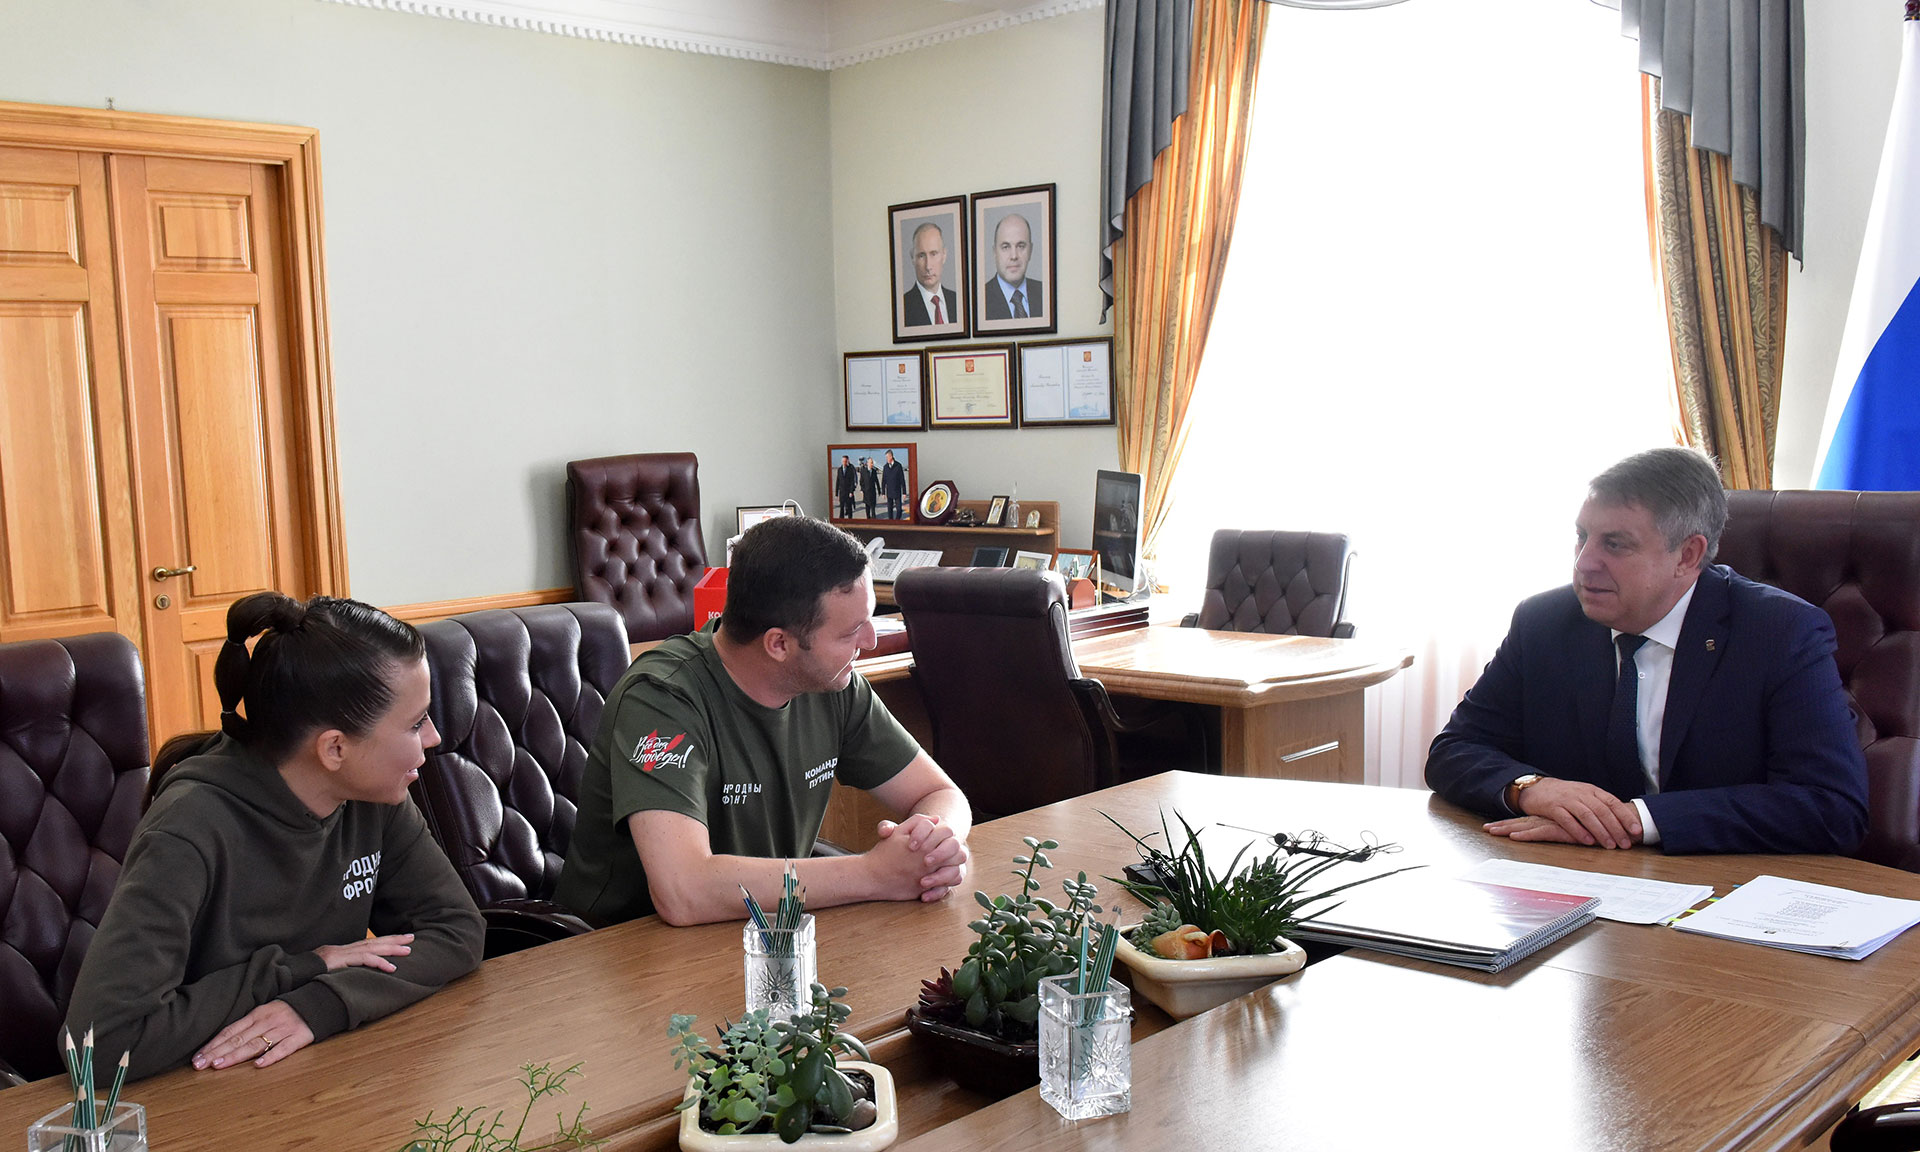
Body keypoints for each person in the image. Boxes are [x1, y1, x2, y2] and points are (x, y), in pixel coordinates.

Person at [65, 593, 484, 1082]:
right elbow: (99, 1045)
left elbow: (458, 931)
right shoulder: (187, 829)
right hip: (198, 1091)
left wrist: (319, 1004)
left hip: (314, 1076)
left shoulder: (372, 797)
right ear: (334, 748)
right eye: (415, 724)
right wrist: (307, 967)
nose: (433, 738)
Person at [1425, 447, 1868, 856]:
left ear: (1687, 555)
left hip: (1724, 883)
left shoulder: (1780, 632)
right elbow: (1455, 749)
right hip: (1575, 877)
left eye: (1615, 544)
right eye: (1582, 536)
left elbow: (1831, 806)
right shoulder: (1545, 622)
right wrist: (1530, 788)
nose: (1584, 563)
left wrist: (1640, 820)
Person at [556, 515, 972, 926]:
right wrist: (874, 874)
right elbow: (684, 892)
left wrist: (935, 843)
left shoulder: (834, 682)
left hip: (765, 930)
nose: (871, 640)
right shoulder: (661, 698)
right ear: (778, 644)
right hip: (621, 946)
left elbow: (940, 793)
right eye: (851, 632)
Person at [981, 212, 1045, 322]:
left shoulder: (1045, 293)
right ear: (995, 252)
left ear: (1030, 251)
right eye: (1006, 247)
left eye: (1021, 246)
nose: (1014, 256)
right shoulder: (980, 300)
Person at [901, 221, 959, 328]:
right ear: (912, 258)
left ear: (944, 255)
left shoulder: (958, 301)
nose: (928, 266)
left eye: (933, 254)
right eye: (921, 256)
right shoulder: (902, 307)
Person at [881, 450, 907, 521]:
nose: (886, 459)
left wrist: (904, 492)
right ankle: (891, 522)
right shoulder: (885, 467)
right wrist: (883, 492)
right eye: (886, 457)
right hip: (889, 492)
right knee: (890, 510)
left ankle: (897, 521)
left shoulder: (898, 466)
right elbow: (883, 481)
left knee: (899, 509)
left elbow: (902, 480)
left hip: (897, 492)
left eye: (887, 457)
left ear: (891, 456)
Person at [836, 454, 857, 519]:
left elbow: (852, 482)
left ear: (847, 461)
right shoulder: (839, 470)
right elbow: (838, 481)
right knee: (841, 508)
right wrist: (836, 493)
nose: (844, 462)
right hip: (842, 492)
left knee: (849, 508)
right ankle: (841, 521)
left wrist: (851, 491)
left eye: (845, 461)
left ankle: (850, 521)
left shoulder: (850, 469)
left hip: (848, 492)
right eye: (843, 461)